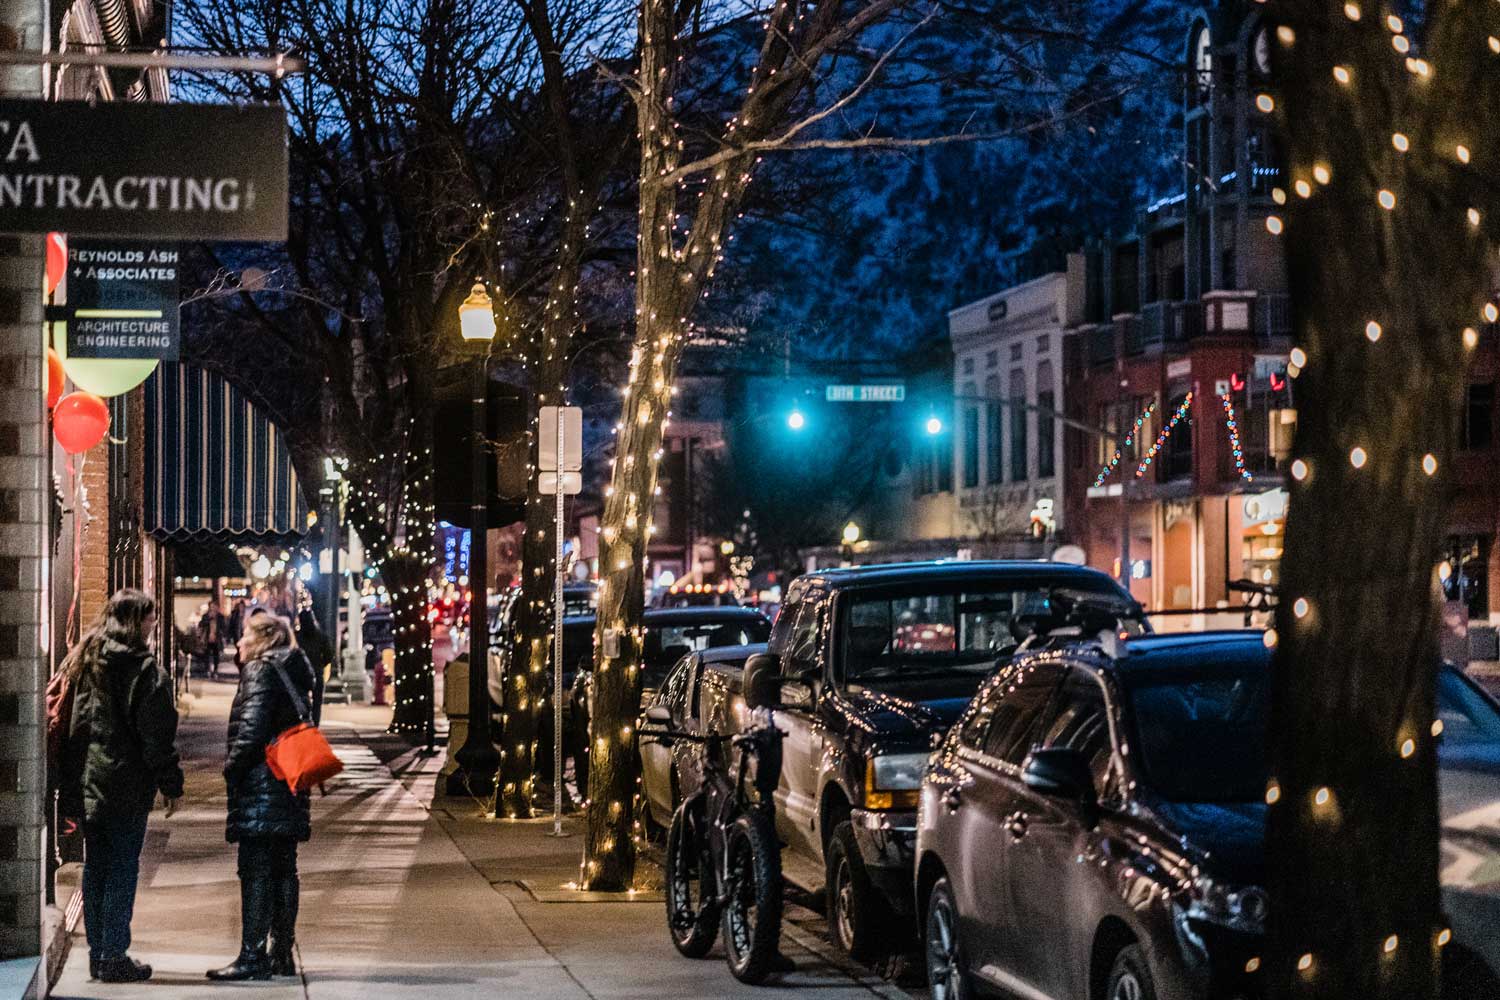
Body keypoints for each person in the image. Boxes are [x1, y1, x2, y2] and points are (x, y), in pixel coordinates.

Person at [60, 589, 183, 984]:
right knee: (122, 870)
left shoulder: (87, 661)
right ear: (136, 622)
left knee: (97, 868)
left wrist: (70, 784)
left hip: (91, 782)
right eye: (150, 618)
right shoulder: (144, 671)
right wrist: (170, 783)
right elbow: (156, 737)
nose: (153, 625)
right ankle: (114, 954)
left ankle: (100, 954)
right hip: (127, 785)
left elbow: (74, 729)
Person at [209, 613, 317, 981]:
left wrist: (233, 768)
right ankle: (281, 953)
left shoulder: (260, 670)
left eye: (244, 636)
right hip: (289, 779)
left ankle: (252, 955)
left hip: (262, 782)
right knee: (285, 867)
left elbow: (252, 728)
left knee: (255, 869)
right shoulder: (296, 670)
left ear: (263, 639)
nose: (239, 643)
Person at [295, 608, 333, 726]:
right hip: (317, 671)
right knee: (317, 702)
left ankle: (304, 722)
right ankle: (315, 724)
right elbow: (329, 655)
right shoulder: (321, 636)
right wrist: (322, 663)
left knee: (302, 699)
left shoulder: (298, 637)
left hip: (301, 673)